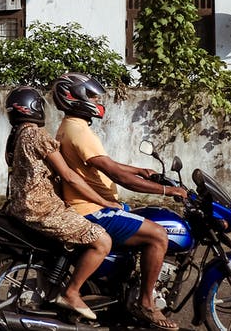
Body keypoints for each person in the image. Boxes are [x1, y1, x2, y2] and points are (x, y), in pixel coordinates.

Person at [51, 72, 187, 331]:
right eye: (90, 95)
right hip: (91, 210)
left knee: (143, 224)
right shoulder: (78, 131)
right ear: (74, 97)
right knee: (158, 235)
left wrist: (138, 169)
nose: (94, 99)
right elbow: (114, 174)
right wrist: (166, 191)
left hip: (93, 206)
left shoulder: (73, 127)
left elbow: (106, 164)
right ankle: (146, 304)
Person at [2, 85, 115, 322]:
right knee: (102, 240)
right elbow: (69, 175)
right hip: (42, 208)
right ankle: (72, 293)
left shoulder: (15, 138)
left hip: (21, 207)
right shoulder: (36, 135)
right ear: (34, 108)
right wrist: (103, 201)